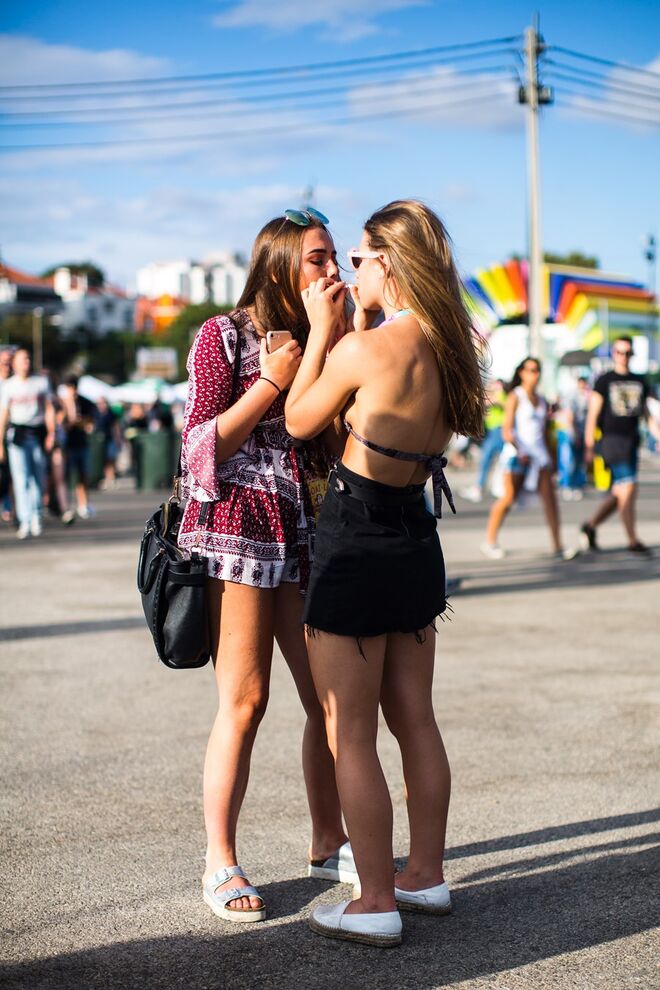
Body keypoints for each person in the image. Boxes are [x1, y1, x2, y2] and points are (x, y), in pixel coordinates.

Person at [285, 199, 486, 947]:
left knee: (352, 732)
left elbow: (302, 421)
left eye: (363, 258)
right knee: (417, 720)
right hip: (415, 533)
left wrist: (317, 334)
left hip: (357, 533)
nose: (352, 270)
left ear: (390, 264)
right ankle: (423, 874)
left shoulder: (363, 351)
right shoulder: (450, 345)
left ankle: (374, 899)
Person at [178, 208, 349, 923]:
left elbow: (333, 436)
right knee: (245, 702)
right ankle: (220, 858)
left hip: (307, 529)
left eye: (336, 257)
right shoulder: (221, 335)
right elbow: (198, 451)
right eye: (318, 259)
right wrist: (272, 382)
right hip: (239, 530)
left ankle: (327, 840)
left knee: (328, 702)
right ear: (280, 264)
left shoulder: (328, 336)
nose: (332, 271)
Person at [481, 357, 575, 560]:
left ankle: (558, 545)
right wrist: (519, 450)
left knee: (551, 501)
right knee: (508, 498)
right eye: (531, 370)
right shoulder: (516, 396)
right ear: (522, 372)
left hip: (540, 458)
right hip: (518, 456)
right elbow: (507, 430)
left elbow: (544, 433)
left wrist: (554, 460)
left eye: (538, 370)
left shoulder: (541, 399)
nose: (535, 374)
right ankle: (490, 540)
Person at [581, 336, 660, 555]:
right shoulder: (604, 380)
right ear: (613, 354)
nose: (623, 357)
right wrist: (589, 446)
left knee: (621, 492)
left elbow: (646, 415)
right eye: (619, 352)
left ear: (632, 355)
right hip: (611, 441)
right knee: (629, 486)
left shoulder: (640, 381)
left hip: (632, 441)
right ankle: (632, 540)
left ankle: (590, 526)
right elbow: (592, 415)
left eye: (627, 353)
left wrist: (658, 435)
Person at [0, 347, 56, 539]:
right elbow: (4, 414)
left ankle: (36, 516)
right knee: (20, 479)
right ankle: (24, 520)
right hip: (17, 434)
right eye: (23, 359)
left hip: (37, 433)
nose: (27, 362)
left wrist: (51, 434)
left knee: (37, 478)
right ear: (14, 363)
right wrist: (0, 442)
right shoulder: (9, 386)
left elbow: (49, 409)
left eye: (28, 358)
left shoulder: (40, 383)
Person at [460, 378, 506, 502]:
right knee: (494, 460)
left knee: (488, 459)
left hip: (498, 429)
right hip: (493, 430)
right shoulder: (496, 394)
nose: (491, 386)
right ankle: (486, 487)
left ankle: (480, 487)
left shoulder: (501, 394)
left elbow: (497, 403)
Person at [60, 376, 97, 519]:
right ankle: (66, 507)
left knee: (83, 476)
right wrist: (69, 409)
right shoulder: (62, 403)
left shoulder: (84, 402)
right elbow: (62, 423)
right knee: (66, 478)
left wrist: (85, 423)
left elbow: (91, 421)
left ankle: (83, 504)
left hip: (81, 444)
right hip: (67, 446)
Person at [556, 376, 589, 501]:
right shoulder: (572, 396)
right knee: (569, 461)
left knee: (579, 461)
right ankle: (567, 486)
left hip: (580, 432)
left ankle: (577, 485)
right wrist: (575, 433)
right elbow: (570, 416)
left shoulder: (586, 396)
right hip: (569, 433)